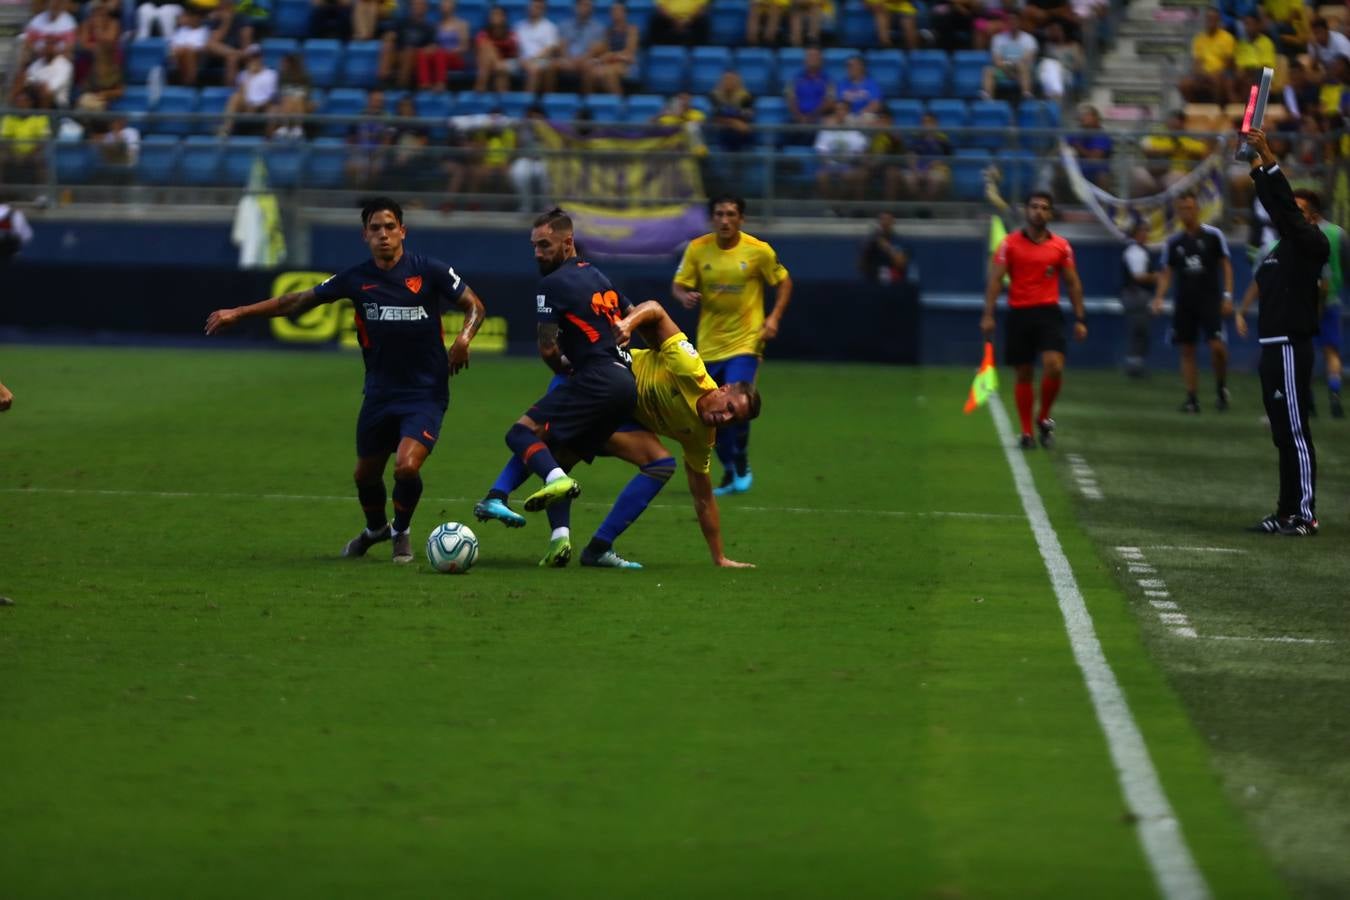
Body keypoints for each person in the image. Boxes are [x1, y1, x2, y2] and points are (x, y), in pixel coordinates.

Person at [204, 197, 487, 562]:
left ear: (403, 231)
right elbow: (297, 301)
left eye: (389, 227)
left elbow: (475, 305)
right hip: (380, 394)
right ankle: (376, 530)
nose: (383, 235)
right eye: (375, 229)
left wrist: (463, 339)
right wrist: (238, 313)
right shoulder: (356, 279)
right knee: (364, 476)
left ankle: (401, 531)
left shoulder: (429, 270)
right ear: (364, 236)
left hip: (425, 392)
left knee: (406, 465)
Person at [474, 301, 761, 568]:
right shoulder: (690, 367)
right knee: (552, 444)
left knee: (659, 465)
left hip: (619, 417)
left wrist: (719, 556)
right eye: (729, 408)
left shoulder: (703, 435)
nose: (725, 418)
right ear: (723, 389)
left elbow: (703, 497)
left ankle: (596, 547)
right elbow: (655, 309)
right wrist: (628, 324)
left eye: (733, 419)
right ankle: (508, 503)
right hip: (593, 381)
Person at [493, 208, 639, 567]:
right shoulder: (597, 274)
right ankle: (561, 540)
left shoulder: (551, 284)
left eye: (545, 245)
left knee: (521, 434)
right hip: (626, 385)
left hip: (596, 378)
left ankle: (544, 482)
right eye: (534, 246)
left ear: (568, 242)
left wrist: (565, 367)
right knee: (556, 453)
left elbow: (547, 348)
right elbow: (633, 311)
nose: (538, 253)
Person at [1232, 129, 1327, 535]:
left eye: (1300, 209)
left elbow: (1283, 208)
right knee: (1281, 435)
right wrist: (1256, 168)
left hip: (1290, 345)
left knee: (1295, 433)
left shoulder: (1312, 244)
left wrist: (1269, 157)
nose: (1292, 211)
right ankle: (1286, 511)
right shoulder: (1281, 248)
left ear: (1313, 218)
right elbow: (1276, 206)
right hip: (1272, 347)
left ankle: (1304, 514)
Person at [672, 195, 792, 495]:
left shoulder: (758, 251)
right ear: (713, 218)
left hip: (747, 342)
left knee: (738, 402)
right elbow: (678, 284)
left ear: (741, 219)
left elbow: (784, 282)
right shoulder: (698, 249)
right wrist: (683, 296)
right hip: (710, 344)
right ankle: (731, 464)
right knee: (712, 413)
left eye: (731, 214)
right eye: (719, 214)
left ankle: (738, 457)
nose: (724, 220)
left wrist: (774, 318)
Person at [981, 191, 1087, 449]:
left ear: (1050, 214)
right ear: (1027, 211)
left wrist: (1080, 318)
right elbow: (996, 280)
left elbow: (1072, 283)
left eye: (1044, 208)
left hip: (1048, 312)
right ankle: (1027, 432)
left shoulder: (1061, 246)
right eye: (1034, 207)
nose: (1038, 211)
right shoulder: (1009, 244)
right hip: (1019, 313)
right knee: (1024, 373)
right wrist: (988, 314)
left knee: (1054, 365)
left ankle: (1043, 416)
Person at [1240, 188, 1350, 418]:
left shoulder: (1296, 244)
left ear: (1311, 214)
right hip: (1326, 302)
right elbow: (1340, 269)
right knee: (1329, 351)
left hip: (1302, 305)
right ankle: (1333, 395)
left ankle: (1306, 399)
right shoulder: (1337, 233)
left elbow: (1261, 281)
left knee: (1299, 352)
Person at [1151, 191, 1234, 413]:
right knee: (1187, 350)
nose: (1186, 212)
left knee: (1217, 347)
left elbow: (1226, 266)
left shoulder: (1214, 236)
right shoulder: (1174, 242)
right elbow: (1167, 272)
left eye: (1190, 208)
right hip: (1185, 302)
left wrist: (1227, 295)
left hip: (1210, 301)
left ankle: (1221, 386)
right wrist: (1159, 297)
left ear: (1198, 209)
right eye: (1182, 209)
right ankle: (1192, 398)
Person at [1120, 219, 1159, 377]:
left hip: (1137, 295)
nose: (1145, 234)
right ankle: (1134, 366)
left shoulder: (1138, 251)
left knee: (1140, 331)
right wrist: (1157, 276)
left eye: (1146, 231)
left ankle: (1136, 364)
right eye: (1142, 231)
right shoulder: (1136, 252)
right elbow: (1138, 277)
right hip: (1136, 294)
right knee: (1139, 330)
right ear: (1135, 234)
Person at [859, 211, 910, 285]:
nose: (885, 222)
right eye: (882, 219)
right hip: (873, 281)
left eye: (888, 219)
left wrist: (888, 248)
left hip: (894, 282)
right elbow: (861, 266)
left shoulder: (900, 241)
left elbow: (901, 264)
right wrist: (865, 249)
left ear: (893, 222)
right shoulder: (871, 240)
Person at [0, 199, 35, 265]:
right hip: (10, 258)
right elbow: (27, 236)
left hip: (9, 254)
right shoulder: (16, 215)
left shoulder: (14, 214)